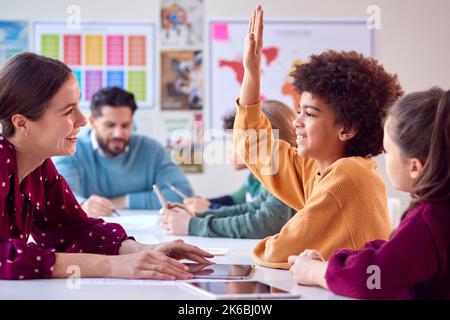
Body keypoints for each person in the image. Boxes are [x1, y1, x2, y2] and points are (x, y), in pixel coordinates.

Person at [0, 52, 212, 280]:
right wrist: (113, 266)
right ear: (22, 123)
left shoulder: (40, 166)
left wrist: (143, 250)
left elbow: (72, 230)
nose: (82, 120)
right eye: (69, 111)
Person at [233, 6, 403, 269]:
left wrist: (257, 248)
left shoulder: (348, 175)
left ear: (347, 128)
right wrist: (251, 74)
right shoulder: (322, 168)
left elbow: (278, 251)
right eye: (298, 111)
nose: (296, 121)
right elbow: (255, 146)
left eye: (309, 114)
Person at [289, 87, 450, 299]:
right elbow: (396, 256)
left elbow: (373, 277)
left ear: (414, 167)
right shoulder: (438, 212)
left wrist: (314, 272)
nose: (385, 159)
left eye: (388, 151)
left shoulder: (429, 219)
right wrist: (334, 265)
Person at [160, 100, 297, 239]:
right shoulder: (266, 173)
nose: (230, 148)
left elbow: (264, 224)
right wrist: (198, 216)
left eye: (235, 140)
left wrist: (194, 224)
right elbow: (248, 208)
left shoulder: (283, 173)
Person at [53, 86, 193, 217]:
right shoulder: (72, 149)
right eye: (110, 125)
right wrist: (83, 205)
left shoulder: (151, 150)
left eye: (125, 125)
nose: (118, 134)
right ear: (93, 121)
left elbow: (183, 195)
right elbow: (58, 197)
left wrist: (123, 202)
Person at [183, 109, 265, 213]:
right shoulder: (253, 178)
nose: (229, 149)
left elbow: (251, 215)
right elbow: (234, 200)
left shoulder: (266, 181)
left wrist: (209, 207)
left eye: (234, 143)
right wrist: (203, 202)